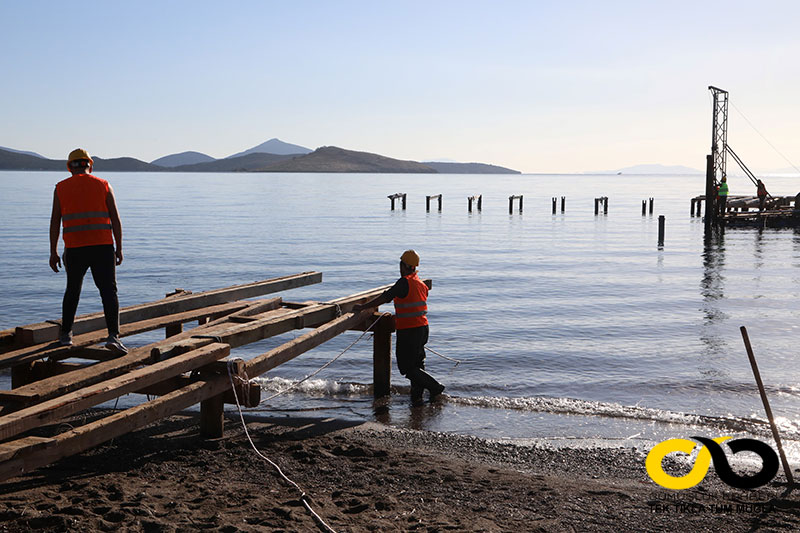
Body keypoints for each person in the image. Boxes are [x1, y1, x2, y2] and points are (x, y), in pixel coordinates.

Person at [49, 148, 127, 354]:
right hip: (102, 247)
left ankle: (66, 336)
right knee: (108, 291)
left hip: (74, 249)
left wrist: (53, 251)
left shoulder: (60, 188)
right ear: (89, 165)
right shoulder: (103, 185)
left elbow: (55, 221)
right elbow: (115, 219)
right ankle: (113, 336)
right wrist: (119, 247)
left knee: (72, 290)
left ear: (70, 167)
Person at [354, 250, 444, 406]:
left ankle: (435, 387)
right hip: (422, 328)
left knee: (407, 368)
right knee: (417, 365)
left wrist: (363, 307)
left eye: (400, 265)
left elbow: (385, 297)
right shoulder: (420, 283)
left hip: (409, 330)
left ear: (404, 266)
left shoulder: (404, 282)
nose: (399, 268)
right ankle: (417, 399)